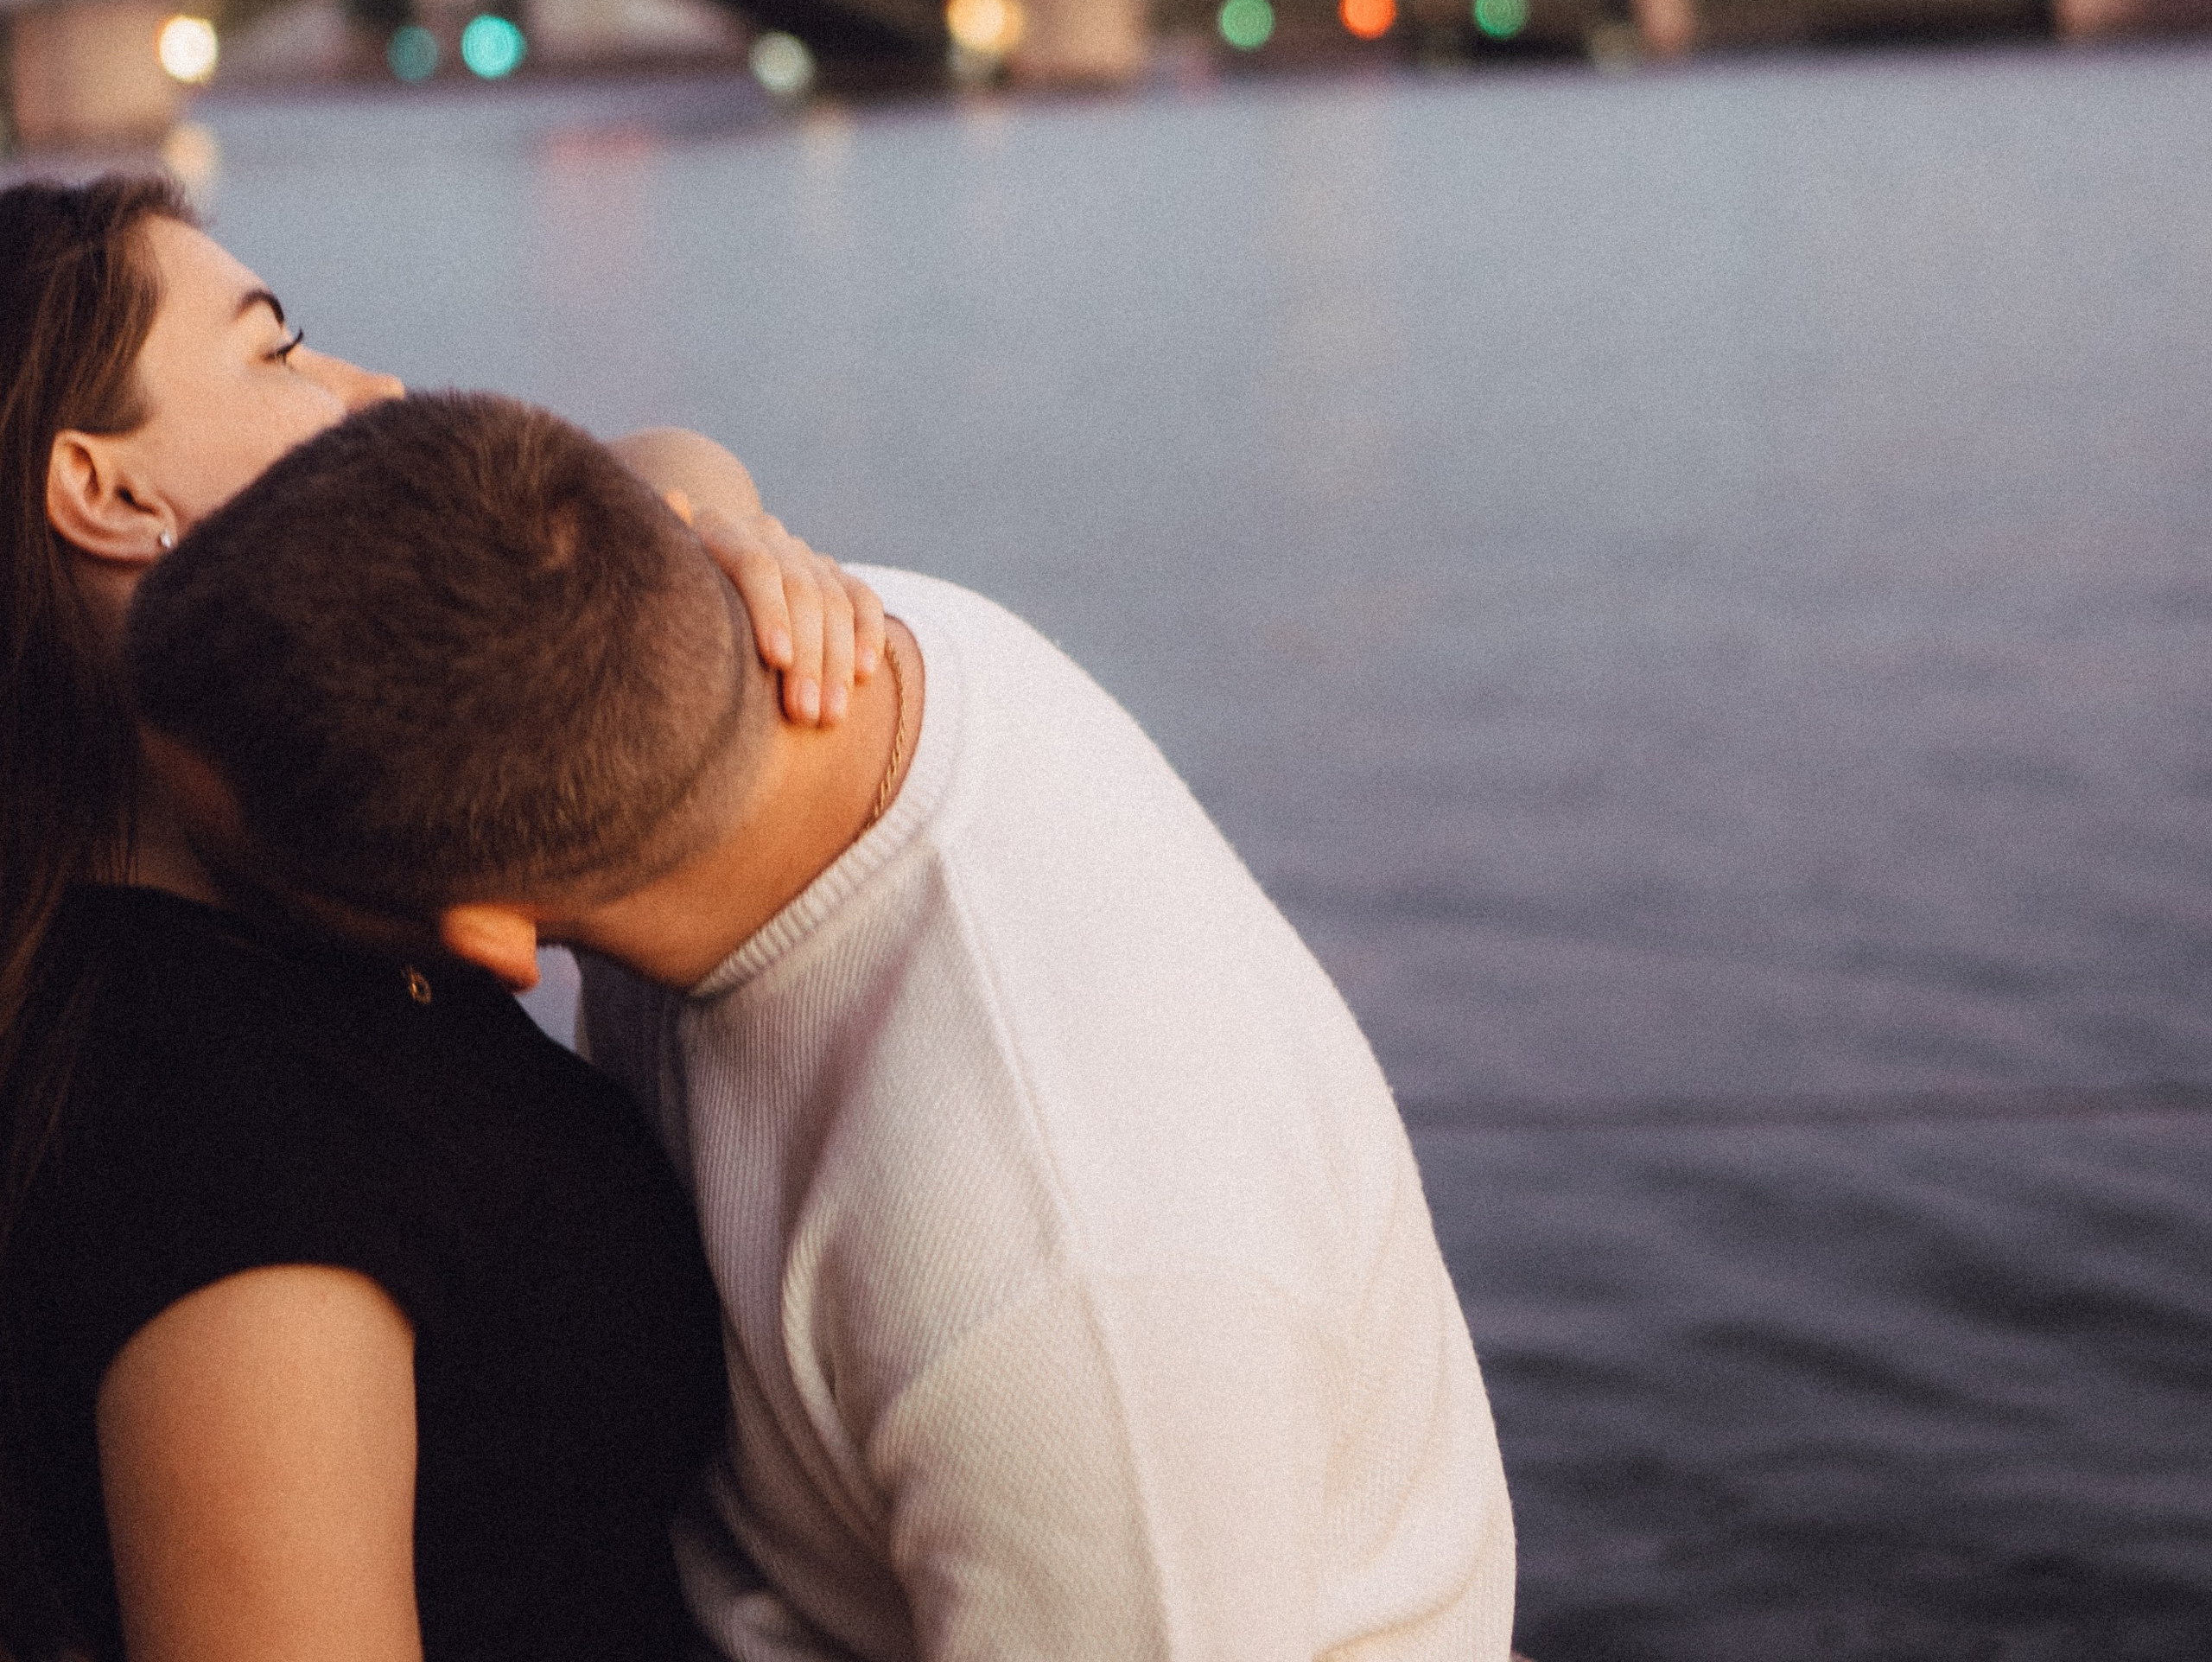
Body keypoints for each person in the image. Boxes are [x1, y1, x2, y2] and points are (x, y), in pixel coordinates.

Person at [131, 387, 1520, 1662]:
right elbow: (623, 478)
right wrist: (706, 497)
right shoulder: (755, 654)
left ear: (491, 936)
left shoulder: (1060, 1277)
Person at [0, 170, 879, 1662]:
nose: (372, 386)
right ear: (109, 491)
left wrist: (711, 539)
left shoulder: (285, 867)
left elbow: (624, 470)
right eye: (275, 352)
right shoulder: (220, 1145)